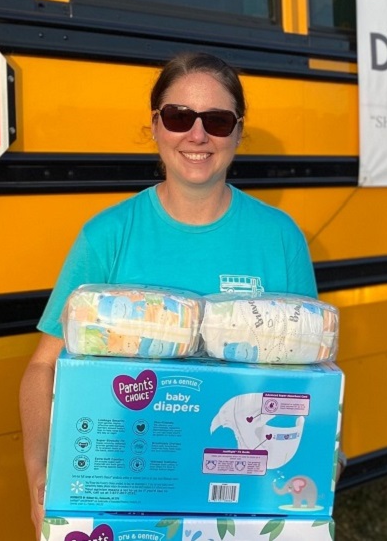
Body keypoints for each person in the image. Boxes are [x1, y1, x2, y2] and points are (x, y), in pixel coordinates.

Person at [18, 52, 318, 535]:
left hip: (242, 496)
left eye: (217, 121)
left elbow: (311, 374)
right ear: (155, 126)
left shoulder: (280, 238)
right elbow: (42, 367)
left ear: (238, 133)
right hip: (124, 493)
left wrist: (327, 451)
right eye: (179, 116)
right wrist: (39, 469)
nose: (197, 135)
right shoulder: (107, 236)